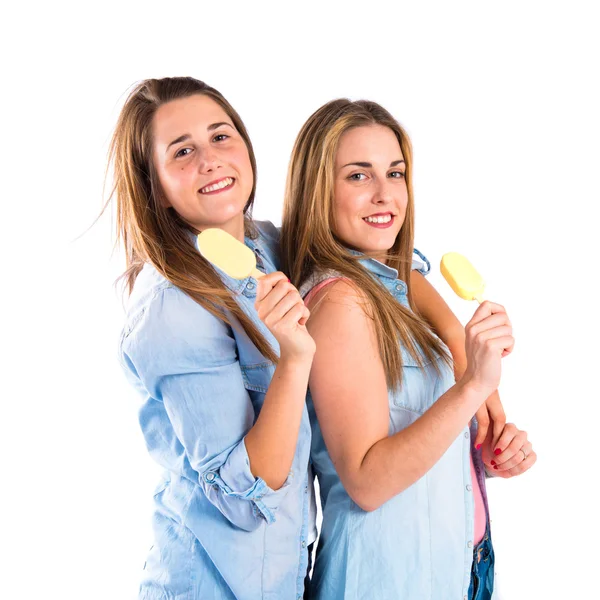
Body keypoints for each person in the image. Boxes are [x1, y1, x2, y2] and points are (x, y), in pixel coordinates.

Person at [280, 98, 537, 600]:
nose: (384, 195)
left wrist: (491, 444)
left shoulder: (395, 280)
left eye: (394, 173)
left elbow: (435, 412)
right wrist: (473, 388)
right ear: (317, 189)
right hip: (389, 582)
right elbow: (368, 482)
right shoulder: (341, 305)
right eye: (358, 176)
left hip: (464, 565)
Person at [110, 76, 316, 600]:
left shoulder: (271, 244)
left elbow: (373, 266)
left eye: (221, 137)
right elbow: (244, 500)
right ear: (154, 185)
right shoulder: (171, 310)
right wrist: (293, 360)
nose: (210, 159)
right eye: (183, 151)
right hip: (209, 585)